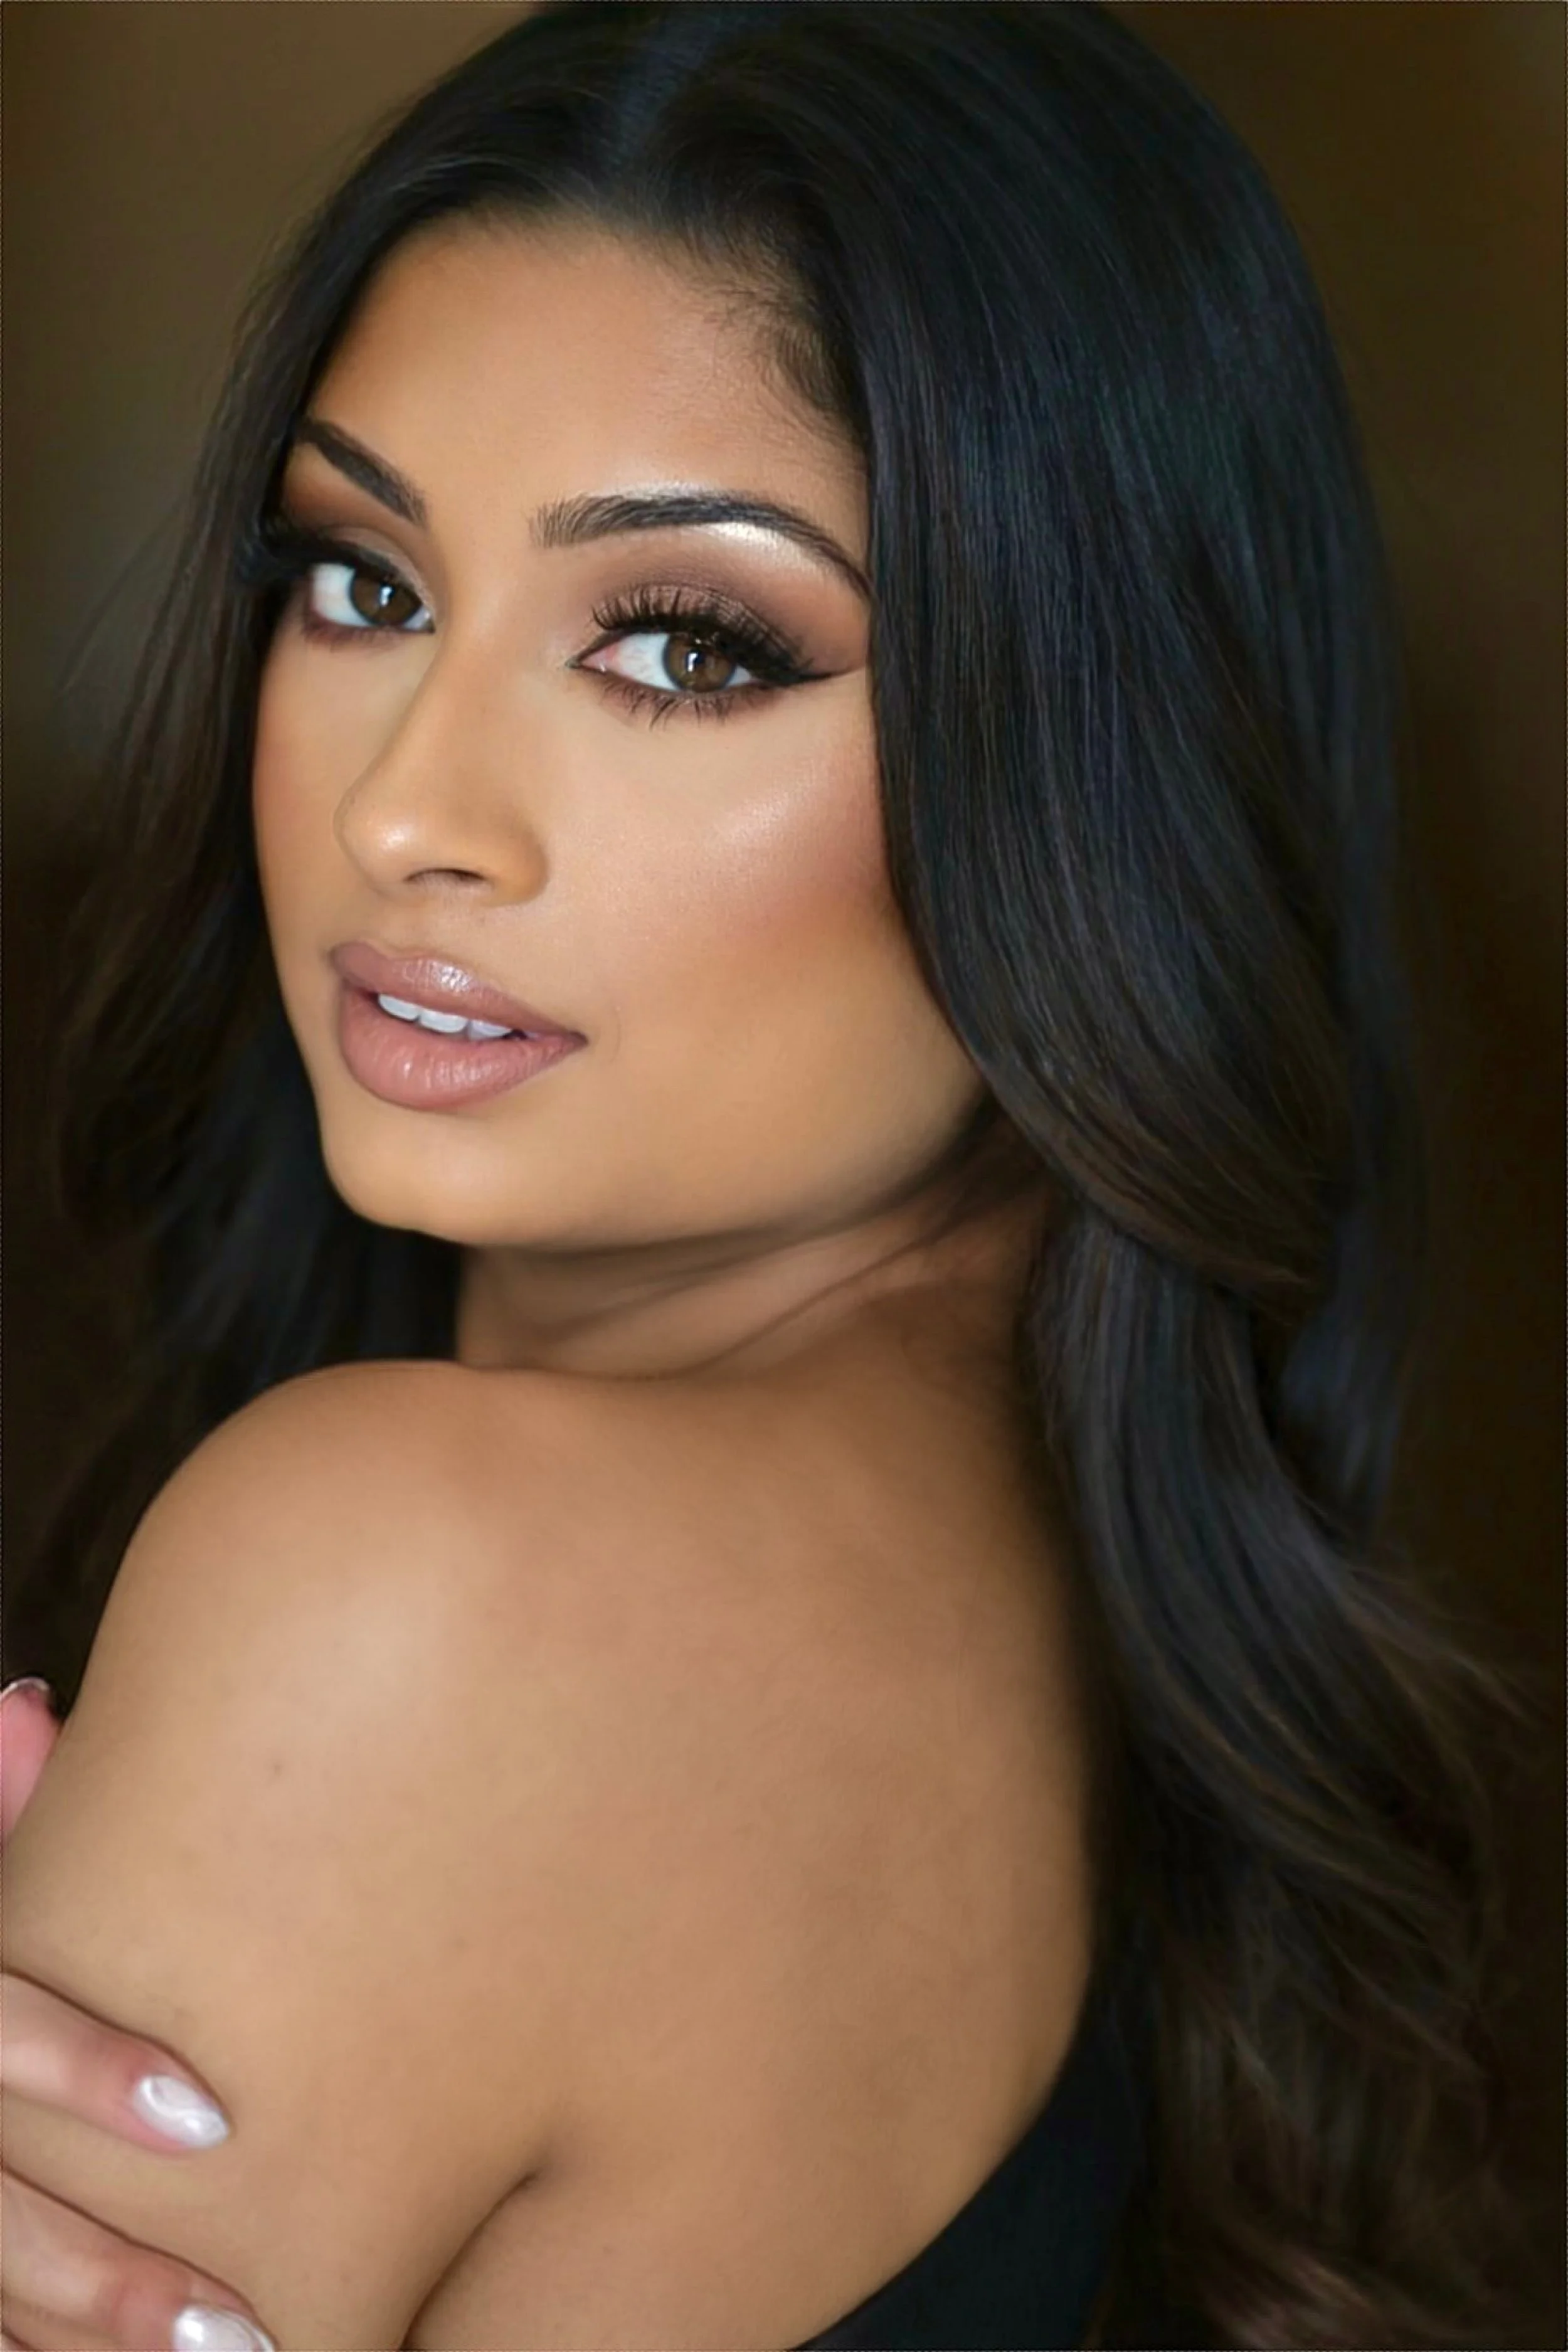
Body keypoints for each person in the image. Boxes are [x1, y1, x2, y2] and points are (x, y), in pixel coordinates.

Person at [0, 6, 1530, 2347]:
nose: (407, 812)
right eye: (364, 583)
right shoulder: (1072, 1585)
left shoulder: (413, 1591)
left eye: (689, 649)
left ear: (1087, 765)